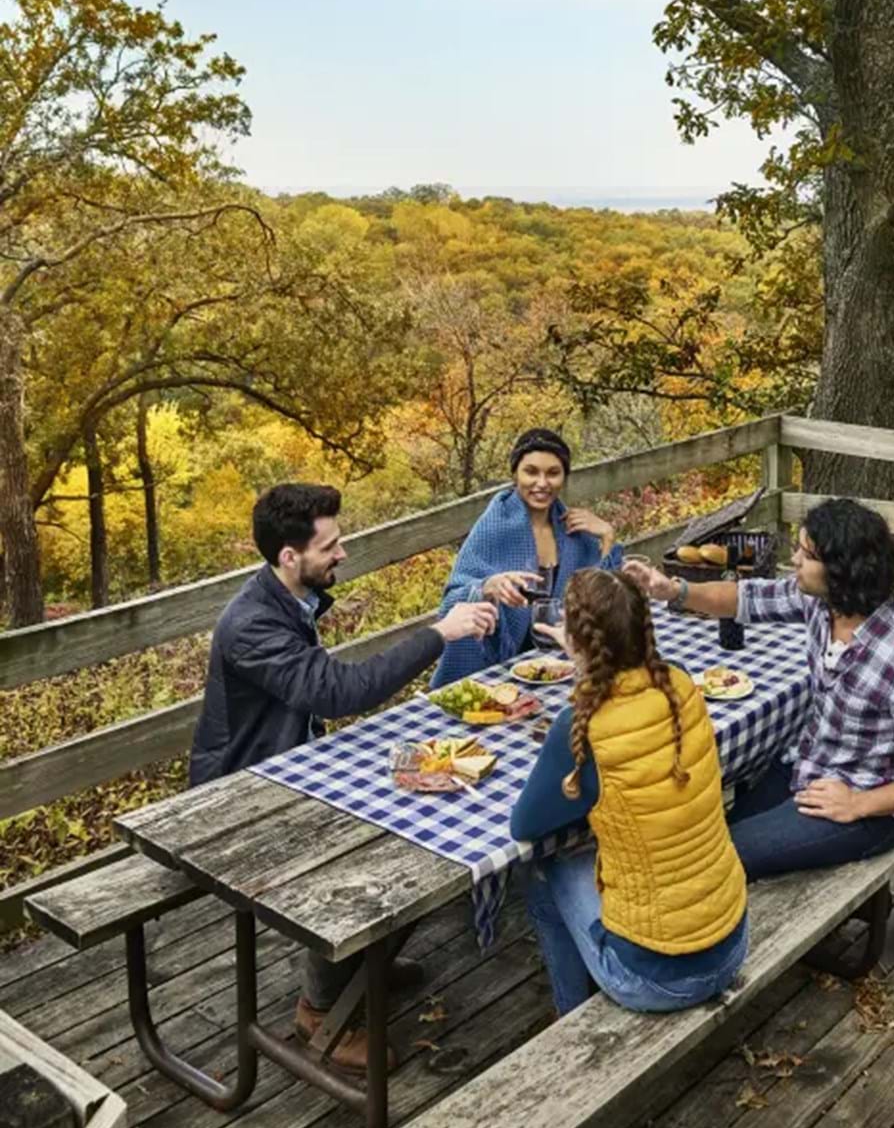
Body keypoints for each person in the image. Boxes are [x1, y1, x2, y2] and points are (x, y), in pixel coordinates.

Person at [188, 482, 499, 1071]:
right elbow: (336, 693)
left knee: (429, 812)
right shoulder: (251, 623)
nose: (343, 554)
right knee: (380, 853)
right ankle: (321, 1010)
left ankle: (363, 965)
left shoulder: (289, 598)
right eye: (331, 545)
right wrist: (441, 632)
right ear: (289, 556)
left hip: (295, 767)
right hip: (241, 796)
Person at [623, 497, 894, 879]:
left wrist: (858, 803)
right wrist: (674, 591)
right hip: (807, 767)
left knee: (715, 861)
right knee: (704, 835)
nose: (797, 561)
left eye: (808, 554)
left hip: (869, 808)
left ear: (843, 569)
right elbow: (747, 599)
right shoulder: (822, 603)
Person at [508, 567, 749, 1015]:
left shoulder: (583, 726)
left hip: (655, 978)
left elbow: (524, 824)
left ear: (577, 642)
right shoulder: (680, 685)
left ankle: (571, 1020)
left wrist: (581, 670)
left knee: (544, 866)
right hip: (732, 939)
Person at [430, 428, 621, 688]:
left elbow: (608, 601)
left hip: (558, 667)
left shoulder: (574, 532)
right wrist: (487, 587)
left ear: (564, 476)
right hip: (494, 672)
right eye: (531, 471)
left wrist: (608, 536)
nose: (542, 483)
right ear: (515, 474)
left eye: (553, 473)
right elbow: (451, 601)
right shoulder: (494, 528)